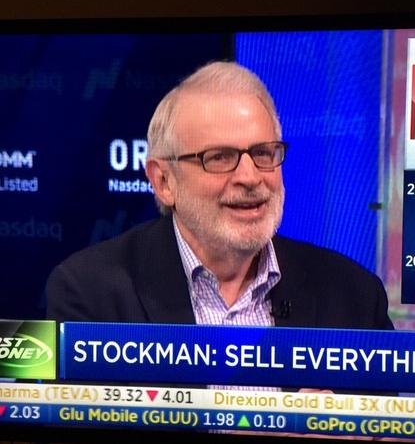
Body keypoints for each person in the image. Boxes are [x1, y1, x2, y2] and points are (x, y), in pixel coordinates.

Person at [46, 61, 393, 332]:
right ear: (164, 181)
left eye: (263, 153)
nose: (250, 177)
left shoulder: (355, 296)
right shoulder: (90, 293)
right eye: (220, 158)